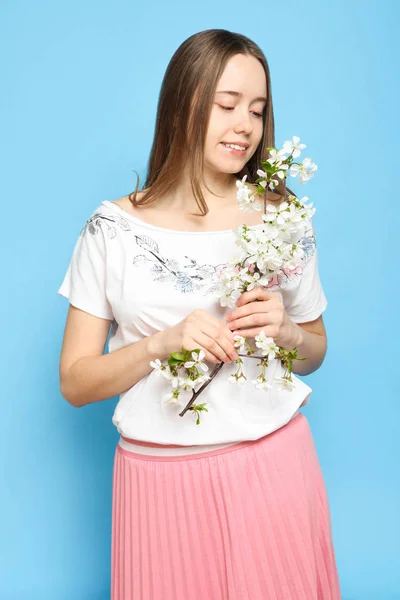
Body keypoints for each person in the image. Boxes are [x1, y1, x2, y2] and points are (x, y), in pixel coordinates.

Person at [58, 28, 341, 600]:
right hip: (157, 484)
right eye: (227, 105)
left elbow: (315, 349)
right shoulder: (113, 228)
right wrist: (160, 345)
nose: (245, 126)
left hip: (273, 467)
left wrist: (286, 331)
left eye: (258, 111)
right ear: (182, 103)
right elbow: (75, 381)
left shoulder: (281, 218)